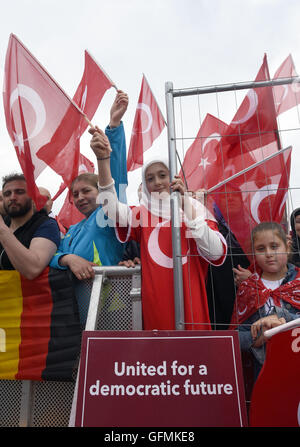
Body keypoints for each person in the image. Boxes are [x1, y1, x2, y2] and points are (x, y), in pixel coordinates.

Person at [90, 129, 227, 331]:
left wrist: (185, 205)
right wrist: (103, 160)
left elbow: (216, 253)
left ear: (175, 177)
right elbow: (110, 207)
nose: (157, 183)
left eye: (163, 175)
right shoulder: (142, 214)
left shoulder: (196, 210)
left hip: (192, 304)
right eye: (150, 179)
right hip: (155, 307)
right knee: (159, 357)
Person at [49, 91, 128, 324]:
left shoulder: (106, 216)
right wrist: (68, 259)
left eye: (86, 191)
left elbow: (116, 178)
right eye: (75, 194)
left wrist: (113, 127)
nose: (80, 197)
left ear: (100, 191)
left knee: (109, 357)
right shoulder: (72, 229)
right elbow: (51, 254)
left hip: (112, 304)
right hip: (77, 302)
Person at [231, 221, 300, 380]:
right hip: (264, 372)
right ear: (253, 253)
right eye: (261, 249)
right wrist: (257, 338)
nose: (268, 253)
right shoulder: (248, 288)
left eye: (274, 246)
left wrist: (283, 319)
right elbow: (236, 336)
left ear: (287, 246)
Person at [0, 173, 60, 279]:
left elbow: (32, 269)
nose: (12, 197)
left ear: (33, 197)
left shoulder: (46, 224)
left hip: (28, 294)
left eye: (20, 192)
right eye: (7, 194)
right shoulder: (5, 223)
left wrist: (3, 231)